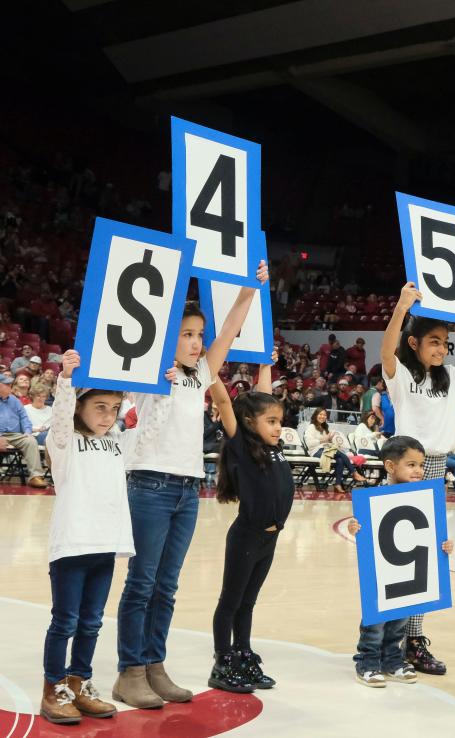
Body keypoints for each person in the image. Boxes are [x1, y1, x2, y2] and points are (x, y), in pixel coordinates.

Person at [114, 261, 268, 709]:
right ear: (166, 337)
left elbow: (230, 334)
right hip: (148, 484)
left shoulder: (200, 375)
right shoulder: (146, 371)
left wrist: (247, 292)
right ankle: (130, 671)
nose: (197, 342)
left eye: (199, 335)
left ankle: (154, 664)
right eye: (187, 334)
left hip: (186, 488)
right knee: (141, 583)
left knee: (167, 584)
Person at [380, 281, 455, 675]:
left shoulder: (450, 377)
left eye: (446, 343)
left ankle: (413, 640)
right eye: (434, 342)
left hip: (435, 466)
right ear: (415, 343)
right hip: (404, 469)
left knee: (427, 558)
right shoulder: (402, 376)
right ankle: (386, 642)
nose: (442, 349)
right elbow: (386, 352)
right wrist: (401, 307)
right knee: (398, 557)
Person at [39, 350, 166, 725]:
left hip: (105, 547)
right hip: (72, 546)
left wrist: (163, 393)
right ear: (80, 407)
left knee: (92, 622)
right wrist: (65, 380)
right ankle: (53, 688)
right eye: (99, 406)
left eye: (113, 407)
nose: (108, 414)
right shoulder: (64, 445)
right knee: (65, 621)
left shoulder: (118, 443)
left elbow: (149, 432)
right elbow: (60, 420)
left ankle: (80, 682)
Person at [209, 365, 293, 694]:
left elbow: (264, 399)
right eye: (271, 421)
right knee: (230, 602)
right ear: (249, 424)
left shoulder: (272, 448)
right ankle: (223, 661)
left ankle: (243, 654)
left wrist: (265, 366)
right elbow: (226, 404)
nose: (278, 427)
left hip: (269, 540)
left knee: (248, 603)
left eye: (278, 420)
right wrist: (209, 368)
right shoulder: (243, 447)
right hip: (246, 537)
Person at [348, 436, 454, 687]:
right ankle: (368, 660)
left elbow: (430, 535)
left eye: (421, 465)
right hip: (383, 574)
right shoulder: (376, 496)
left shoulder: (424, 500)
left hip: (409, 573)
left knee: (401, 619)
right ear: (390, 466)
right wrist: (355, 527)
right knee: (376, 621)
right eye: (411, 465)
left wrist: (444, 546)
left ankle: (393, 659)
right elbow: (361, 528)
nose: (418, 470)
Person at [0, 373, 48, 487]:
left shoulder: (14, 400)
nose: (9, 385)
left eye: (9, 383)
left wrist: (27, 431)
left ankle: (35, 477)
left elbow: (24, 417)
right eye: (6, 384)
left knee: (30, 441)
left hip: (15, 435)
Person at [304, 408, 365, 494]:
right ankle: (354, 472)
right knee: (337, 452)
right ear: (315, 415)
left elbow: (325, 442)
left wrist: (330, 440)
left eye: (324, 415)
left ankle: (337, 484)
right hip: (315, 451)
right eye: (320, 414)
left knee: (339, 460)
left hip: (325, 449)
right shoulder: (311, 427)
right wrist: (323, 440)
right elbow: (309, 444)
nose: (322, 416)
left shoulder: (324, 428)